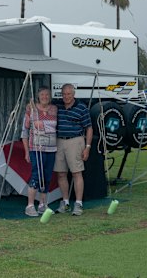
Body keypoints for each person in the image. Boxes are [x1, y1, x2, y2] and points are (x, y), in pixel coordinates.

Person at [54, 83, 93, 216]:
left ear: (74, 94)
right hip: (59, 141)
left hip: (75, 141)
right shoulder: (57, 106)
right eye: (64, 94)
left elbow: (89, 128)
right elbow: (42, 106)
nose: (66, 97)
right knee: (61, 173)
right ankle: (65, 203)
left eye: (69, 94)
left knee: (77, 173)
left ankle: (78, 204)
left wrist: (87, 147)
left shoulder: (81, 107)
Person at [21, 86, 58, 217]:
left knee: (47, 176)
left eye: (47, 95)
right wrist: (26, 151)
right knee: (37, 175)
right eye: (42, 94)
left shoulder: (54, 109)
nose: (45, 97)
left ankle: (43, 204)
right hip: (36, 148)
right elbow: (24, 132)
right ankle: (30, 205)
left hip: (51, 149)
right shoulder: (30, 109)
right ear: (38, 96)